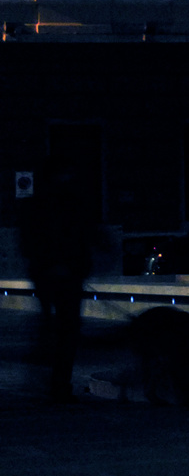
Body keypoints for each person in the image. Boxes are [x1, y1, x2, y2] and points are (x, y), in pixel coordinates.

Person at [18, 172, 94, 402]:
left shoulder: (40, 205)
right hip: (61, 274)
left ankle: (53, 380)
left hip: (55, 273)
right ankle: (57, 383)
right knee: (65, 330)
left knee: (56, 328)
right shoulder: (62, 205)